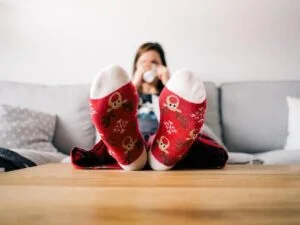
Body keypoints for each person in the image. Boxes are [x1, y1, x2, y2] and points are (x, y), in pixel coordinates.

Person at [71, 42, 228, 171]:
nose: (149, 66)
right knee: (117, 140)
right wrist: (134, 83)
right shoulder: (127, 94)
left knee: (186, 141)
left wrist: (169, 82)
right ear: (136, 68)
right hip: (131, 136)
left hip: (167, 138)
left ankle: (156, 156)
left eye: (155, 63)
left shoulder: (168, 94)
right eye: (144, 63)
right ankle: (137, 155)